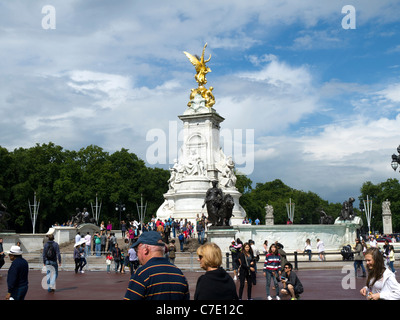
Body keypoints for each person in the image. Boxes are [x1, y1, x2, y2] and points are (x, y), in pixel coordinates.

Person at [124, 231, 190, 300]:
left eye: (137, 250)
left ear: (145, 249)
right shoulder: (179, 274)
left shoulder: (142, 274)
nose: (137, 254)